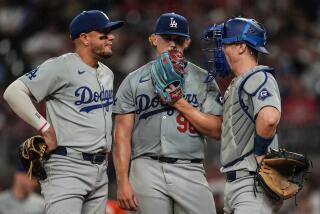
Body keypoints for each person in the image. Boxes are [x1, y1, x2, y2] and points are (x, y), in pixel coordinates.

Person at [3, 10, 124, 214]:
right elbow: (13, 92)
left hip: (100, 168)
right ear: (85, 38)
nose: (111, 37)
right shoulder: (60, 66)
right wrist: (45, 127)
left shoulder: (107, 73)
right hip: (67, 166)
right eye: (104, 33)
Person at [112, 12, 223, 214]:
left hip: (190, 167)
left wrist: (180, 103)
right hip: (146, 167)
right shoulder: (133, 80)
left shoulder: (203, 80)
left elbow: (217, 130)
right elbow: (121, 135)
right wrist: (122, 181)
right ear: (154, 39)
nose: (172, 44)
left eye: (178, 40)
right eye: (167, 38)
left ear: (187, 42)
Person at [203, 17, 282, 213]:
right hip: (237, 184)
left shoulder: (259, 76)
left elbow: (269, 118)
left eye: (225, 44)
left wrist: (260, 152)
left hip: (252, 183)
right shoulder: (239, 82)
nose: (221, 49)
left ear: (241, 47)